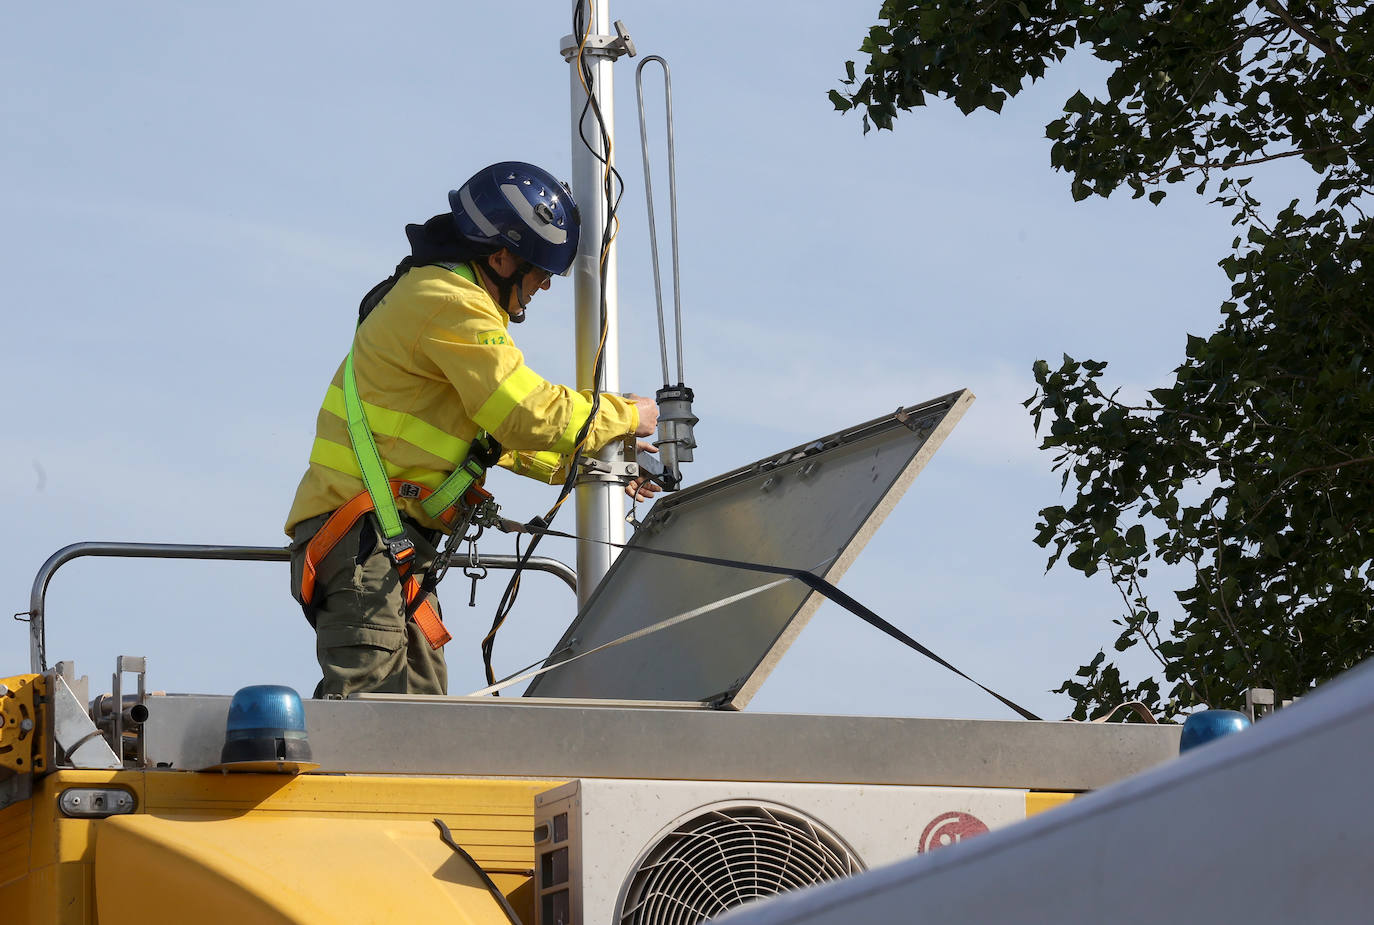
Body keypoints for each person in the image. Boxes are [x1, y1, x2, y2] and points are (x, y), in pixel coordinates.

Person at [285, 161, 659, 698]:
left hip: (384, 545)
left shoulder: (440, 298)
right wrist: (624, 414)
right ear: (502, 257)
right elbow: (526, 414)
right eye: (538, 271)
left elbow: (493, 440)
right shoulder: (449, 302)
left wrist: (594, 468)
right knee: (369, 723)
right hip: (362, 541)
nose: (543, 287)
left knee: (418, 719)